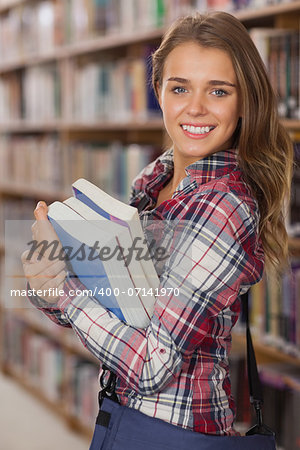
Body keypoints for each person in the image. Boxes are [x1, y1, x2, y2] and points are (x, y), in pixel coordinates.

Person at [22, 10, 293, 448]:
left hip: (176, 434)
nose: (196, 108)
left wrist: (64, 294)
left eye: (218, 91)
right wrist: (46, 276)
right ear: (159, 92)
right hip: (125, 415)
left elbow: (152, 365)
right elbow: (108, 308)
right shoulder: (153, 182)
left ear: (243, 103)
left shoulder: (224, 206)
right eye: (180, 87)